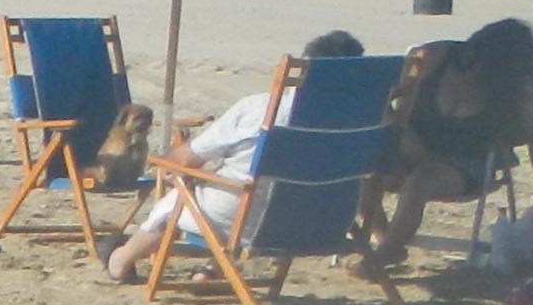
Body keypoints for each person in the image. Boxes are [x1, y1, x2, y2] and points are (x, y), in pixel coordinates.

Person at [103, 30, 368, 281]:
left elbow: (187, 158)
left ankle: (120, 261)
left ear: (305, 69)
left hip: (253, 217)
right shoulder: (367, 117)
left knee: (181, 197)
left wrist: (170, 164)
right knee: (240, 189)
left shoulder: (260, 108)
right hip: (328, 220)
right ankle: (210, 273)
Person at [356, 16, 533, 275]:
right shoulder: (437, 57)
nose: (473, 67)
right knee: (361, 174)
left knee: (421, 181)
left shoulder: (513, 89)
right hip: (410, 149)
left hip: (466, 163)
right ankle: (387, 242)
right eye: (471, 57)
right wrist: (395, 124)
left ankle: (381, 256)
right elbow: (379, 96)